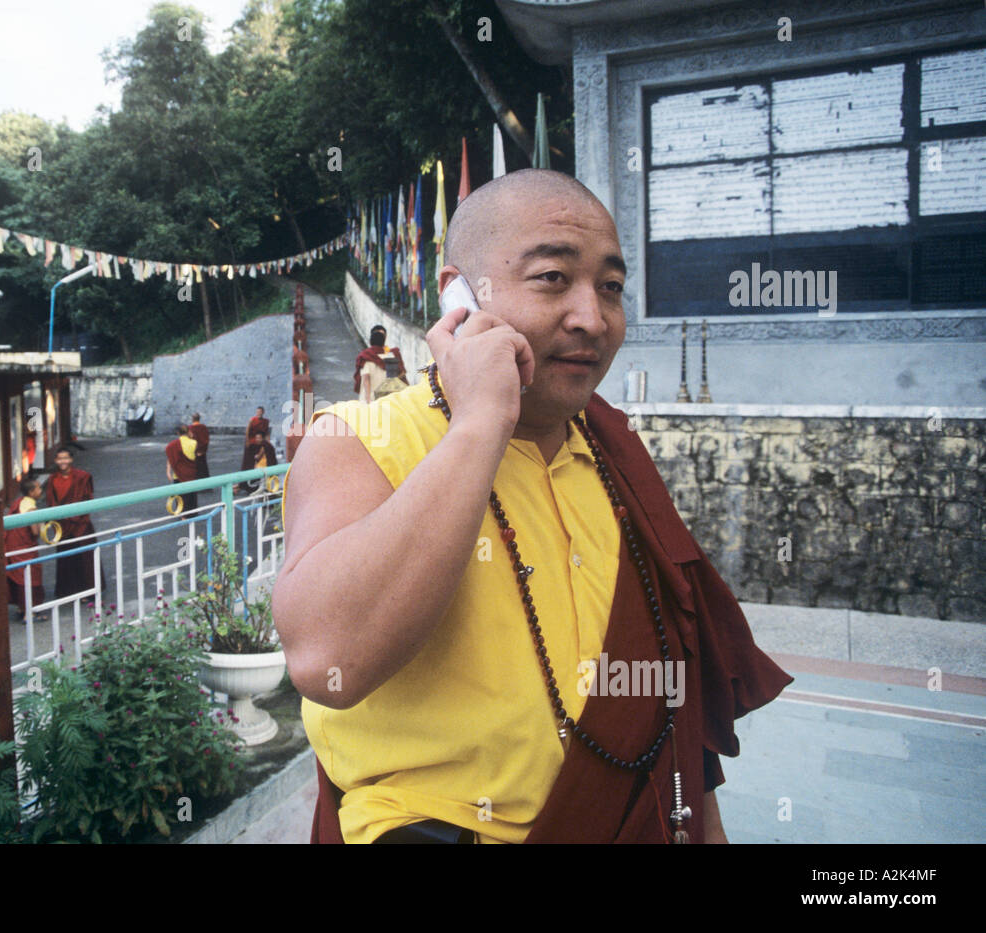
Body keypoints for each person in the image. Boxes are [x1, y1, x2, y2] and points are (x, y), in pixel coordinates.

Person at [273, 169, 792, 845]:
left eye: (611, 287)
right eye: (553, 277)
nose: (591, 316)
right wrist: (481, 421)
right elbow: (324, 657)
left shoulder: (613, 456)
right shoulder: (360, 439)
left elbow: (674, 718)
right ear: (458, 294)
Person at [44, 446, 102, 601]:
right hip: (63, 525)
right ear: (56, 461)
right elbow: (51, 502)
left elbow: (88, 499)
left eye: (66, 458)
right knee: (66, 558)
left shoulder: (82, 477)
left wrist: (80, 518)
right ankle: (69, 591)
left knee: (85, 556)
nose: (63, 461)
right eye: (60, 459)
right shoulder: (52, 479)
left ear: (71, 460)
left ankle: (90, 591)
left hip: (81, 523)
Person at [4, 476, 45, 619]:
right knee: (29, 576)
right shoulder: (31, 507)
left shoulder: (19, 502)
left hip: (12, 545)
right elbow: (34, 532)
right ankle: (30, 613)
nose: (41, 490)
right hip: (24, 546)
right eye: (39, 488)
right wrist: (42, 523)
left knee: (19, 575)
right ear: (32, 492)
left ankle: (22, 609)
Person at [353, 325, 406, 404]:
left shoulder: (366, 357)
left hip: (371, 399)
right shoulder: (392, 356)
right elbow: (401, 374)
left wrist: (368, 399)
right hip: (387, 399)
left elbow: (366, 378)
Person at [165, 425, 200, 511]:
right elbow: (196, 456)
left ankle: (181, 513)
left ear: (178, 433)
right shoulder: (194, 443)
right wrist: (191, 436)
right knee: (191, 496)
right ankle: (192, 512)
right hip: (191, 474)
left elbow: (171, 457)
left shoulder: (172, 445)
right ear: (188, 432)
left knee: (181, 496)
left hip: (178, 475)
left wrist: (168, 471)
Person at [188, 413, 211, 479]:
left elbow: (189, 440)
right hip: (202, 452)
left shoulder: (190, 428)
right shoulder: (204, 427)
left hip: (194, 452)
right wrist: (203, 450)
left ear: (192, 419)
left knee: (195, 469)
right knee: (203, 468)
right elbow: (206, 439)